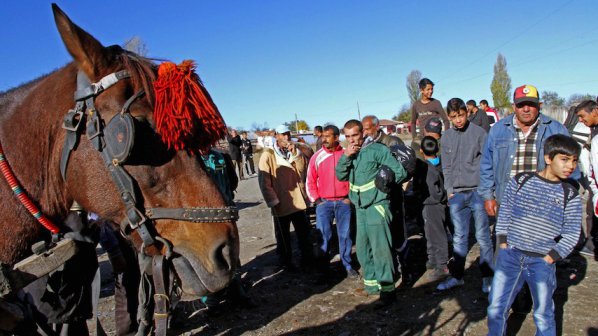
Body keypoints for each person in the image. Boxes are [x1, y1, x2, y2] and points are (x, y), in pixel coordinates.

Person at [479, 84, 579, 312]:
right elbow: (486, 165)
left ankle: (532, 300)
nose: (526, 109)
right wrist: (488, 195)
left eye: (531, 105)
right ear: (514, 106)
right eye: (521, 105)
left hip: (542, 207)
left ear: (539, 106)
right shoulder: (498, 130)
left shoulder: (555, 129)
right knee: (505, 251)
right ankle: (507, 300)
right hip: (508, 200)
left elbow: (572, 165)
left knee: (538, 255)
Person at [487, 134, 582, 336]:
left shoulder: (570, 193)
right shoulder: (522, 180)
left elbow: (572, 233)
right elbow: (504, 214)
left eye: (574, 160)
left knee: (543, 314)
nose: (570, 166)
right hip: (510, 256)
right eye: (564, 160)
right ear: (548, 158)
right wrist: (503, 243)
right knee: (496, 308)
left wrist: (551, 258)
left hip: (541, 261)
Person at [335, 119, 407, 307]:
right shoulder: (349, 153)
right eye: (348, 136)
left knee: (381, 249)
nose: (352, 140)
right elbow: (340, 175)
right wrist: (346, 157)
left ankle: (388, 291)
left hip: (377, 205)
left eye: (355, 135)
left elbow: (399, 173)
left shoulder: (378, 150)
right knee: (363, 249)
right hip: (360, 208)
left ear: (363, 134)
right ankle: (372, 285)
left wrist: (383, 187)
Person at [436, 98, 494, 293]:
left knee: (483, 236)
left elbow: (488, 162)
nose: (458, 120)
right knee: (460, 237)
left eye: (461, 115)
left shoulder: (479, 133)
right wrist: (449, 190)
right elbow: (447, 166)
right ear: (449, 117)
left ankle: (487, 278)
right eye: (453, 117)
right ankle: (457, 276)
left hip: (478, 192)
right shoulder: (446, 138)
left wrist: (487, 191)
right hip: (457, 195)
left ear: (466, 113)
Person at [258, 124, 313, 271]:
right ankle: (285, 262)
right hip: (281, 202)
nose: (286, 137)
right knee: (283, 237)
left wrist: (296, 155)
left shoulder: (295, 151)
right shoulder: (268, 155)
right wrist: (273, 201)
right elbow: (264, 182)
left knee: (304, 233)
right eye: (282, 134)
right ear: (276, 135)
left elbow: (302, 171)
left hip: (298, 201)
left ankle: (307, 259)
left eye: (288, 134)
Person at [306, 125, 357, 279]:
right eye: (323, 136)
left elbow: (354, 177)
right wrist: (317, 200)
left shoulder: (346, 154)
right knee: (324, 237)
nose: (324, 139)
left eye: (328, 136)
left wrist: (350, 197)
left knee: (345, 236)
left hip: (344, 203)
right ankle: (322, 270)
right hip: (324, 204)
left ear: (336, 137)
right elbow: (310, 180)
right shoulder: (317, 156)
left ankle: (347, 265)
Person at [412, 136, 449, 281]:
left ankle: (442, 265)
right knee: (431, 232)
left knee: (437, 234)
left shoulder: (425, 168)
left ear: (421, 150)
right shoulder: (442, 163)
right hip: (437, 204)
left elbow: (434, 191)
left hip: (432, 205)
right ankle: (433, 259)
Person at [410, 78, 450, 142]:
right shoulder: (416, 105)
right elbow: (413, 123)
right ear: (421, 90)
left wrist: (447, 135)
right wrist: (414, 138)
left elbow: (446, 120)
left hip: (436, 139)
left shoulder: (436, 103)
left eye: (432, 89)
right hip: (423, 140)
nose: (431, 91)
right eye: (428, 89)